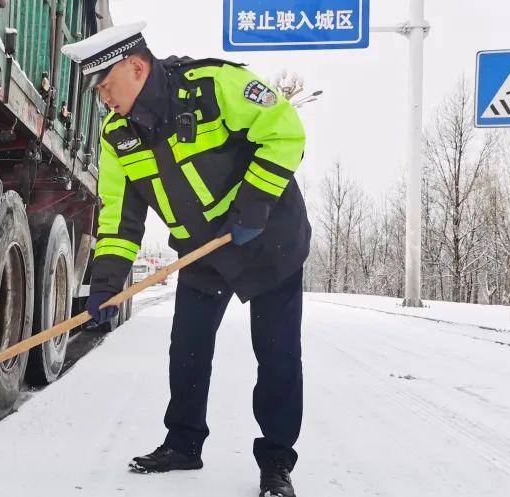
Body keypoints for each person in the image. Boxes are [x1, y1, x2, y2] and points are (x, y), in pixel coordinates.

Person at [62, 21, 312, 497]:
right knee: (188, 347)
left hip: (268, 235)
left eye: (107, 88)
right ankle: (183, 444)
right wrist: (107, 283)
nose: (104, 101)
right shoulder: (118, 136)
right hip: (203, 250)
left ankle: (277, 463)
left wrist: (255, 202)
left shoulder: (212, 84)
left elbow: (284, 129)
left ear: (135, 67)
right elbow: (119, 217)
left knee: (277, 354)